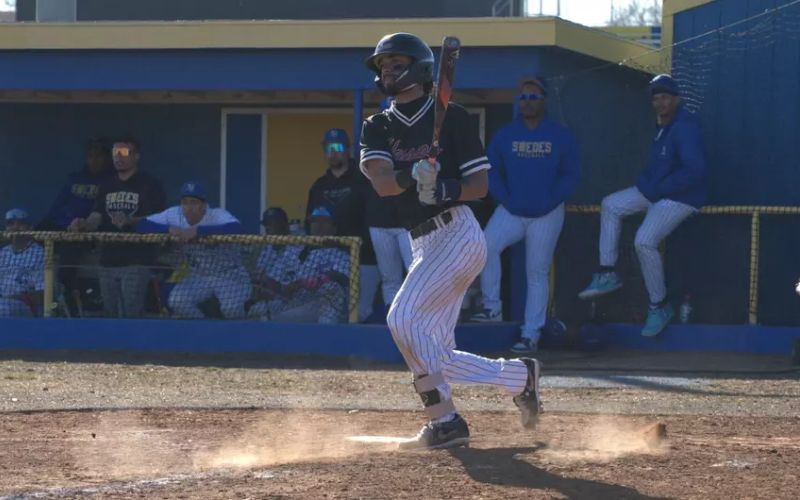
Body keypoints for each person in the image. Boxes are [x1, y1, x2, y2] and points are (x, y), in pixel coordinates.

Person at [360, 32, 542, 450]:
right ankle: (520, 376)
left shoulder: (453, 117)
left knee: (402, 319)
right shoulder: (378, 125)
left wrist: (443, 188)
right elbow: (383, 184)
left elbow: (479, 186)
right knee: (435, 354)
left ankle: (444, 420)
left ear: (420, 69)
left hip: (457, 233)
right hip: (421, 244)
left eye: (396, 64)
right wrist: (412, 177)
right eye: (383, 66)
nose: (387, 71)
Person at [577, 74, 707, 337]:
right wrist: (646, 184)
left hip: (682, 198)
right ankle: (607, 272)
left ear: (676, 99)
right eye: (656, 98)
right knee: (611, 205)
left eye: (665, 97)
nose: (660, 103)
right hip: (658, 193)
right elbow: (655, 169)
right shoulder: (663, 127)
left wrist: (658, 187)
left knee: (644, 241)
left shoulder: (684, 126)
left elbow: (694, 170)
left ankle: (659, 305)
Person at [470, 77, 581, 354]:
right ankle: (492, 307)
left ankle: (531, 334)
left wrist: (551, 200)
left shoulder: (559, 134)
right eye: (523, 97)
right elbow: (490, 170)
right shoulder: (506, 134)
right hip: (512, 210)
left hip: (547, 213)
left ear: (543, 101)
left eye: (533, 97)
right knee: (485, 246)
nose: (527, 102)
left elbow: (571, 174)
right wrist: (506, 199)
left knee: (536, 272)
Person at [68, 137, 166, 318]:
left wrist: (130, 220)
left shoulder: (149, 184)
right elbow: (97, 216)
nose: (118, 157)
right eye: (115, 153)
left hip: (137, 261)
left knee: (130, 315)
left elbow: (159, 219)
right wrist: (83, 224)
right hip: (107, 260)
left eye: (124, 153)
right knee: (110, 315)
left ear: (136, 156)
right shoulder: (107, 185)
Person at [137, 181, 250, 319]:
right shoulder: (174, 214)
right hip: (199, 275)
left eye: (194, 202)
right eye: (185, 202)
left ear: (204, 205)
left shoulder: (216, 215)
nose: (189, 207)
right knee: (177, 301)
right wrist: (168, 229)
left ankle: (241, 330)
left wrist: (199, 231)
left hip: (229, 274)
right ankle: (203, 328)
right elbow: (142, 225)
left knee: (231, 309)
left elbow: (237, 229)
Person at [306, 128, 380, 321]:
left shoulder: (363, 180)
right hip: (329, 259)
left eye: (338, 147)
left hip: (364, 257)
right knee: (330, 311)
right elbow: (309, 223)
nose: (333, 153)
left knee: (361, 312)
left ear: (348, 149)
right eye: (328, 148)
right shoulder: (320, 185)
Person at [39, 138, 112, 315]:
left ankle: (70, 305)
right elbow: (56, 208)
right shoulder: (74, 179)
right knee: (38, 231)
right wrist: (65, 224)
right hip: (65, 227)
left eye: (99, 156)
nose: (94, 160)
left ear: (106, 158)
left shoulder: (111, 181)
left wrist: (82, 224)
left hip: (87, 232)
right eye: (91, 156)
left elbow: (103, 212)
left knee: (68, 260)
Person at [250, 207, 349, 323]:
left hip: (324, 305)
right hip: (299, 304)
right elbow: (283, 288)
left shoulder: (341, 255)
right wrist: (267, 283)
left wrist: (311, 281)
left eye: (324, 222)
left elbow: (342, 279)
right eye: (314, 222)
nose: (318, 226)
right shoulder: (297, 253)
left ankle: (327, 333)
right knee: (258, 309)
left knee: (331, 288)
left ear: (334, 228)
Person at [0, 208, 44, 317]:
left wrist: (15, 298)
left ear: (30, 228)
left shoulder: (40, 253)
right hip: (3, 302)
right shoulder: (3, 253)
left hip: (26, 305)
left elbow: (43, 293)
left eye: (21, 223)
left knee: (4, 306)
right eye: (11, 224)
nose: (15, 227)